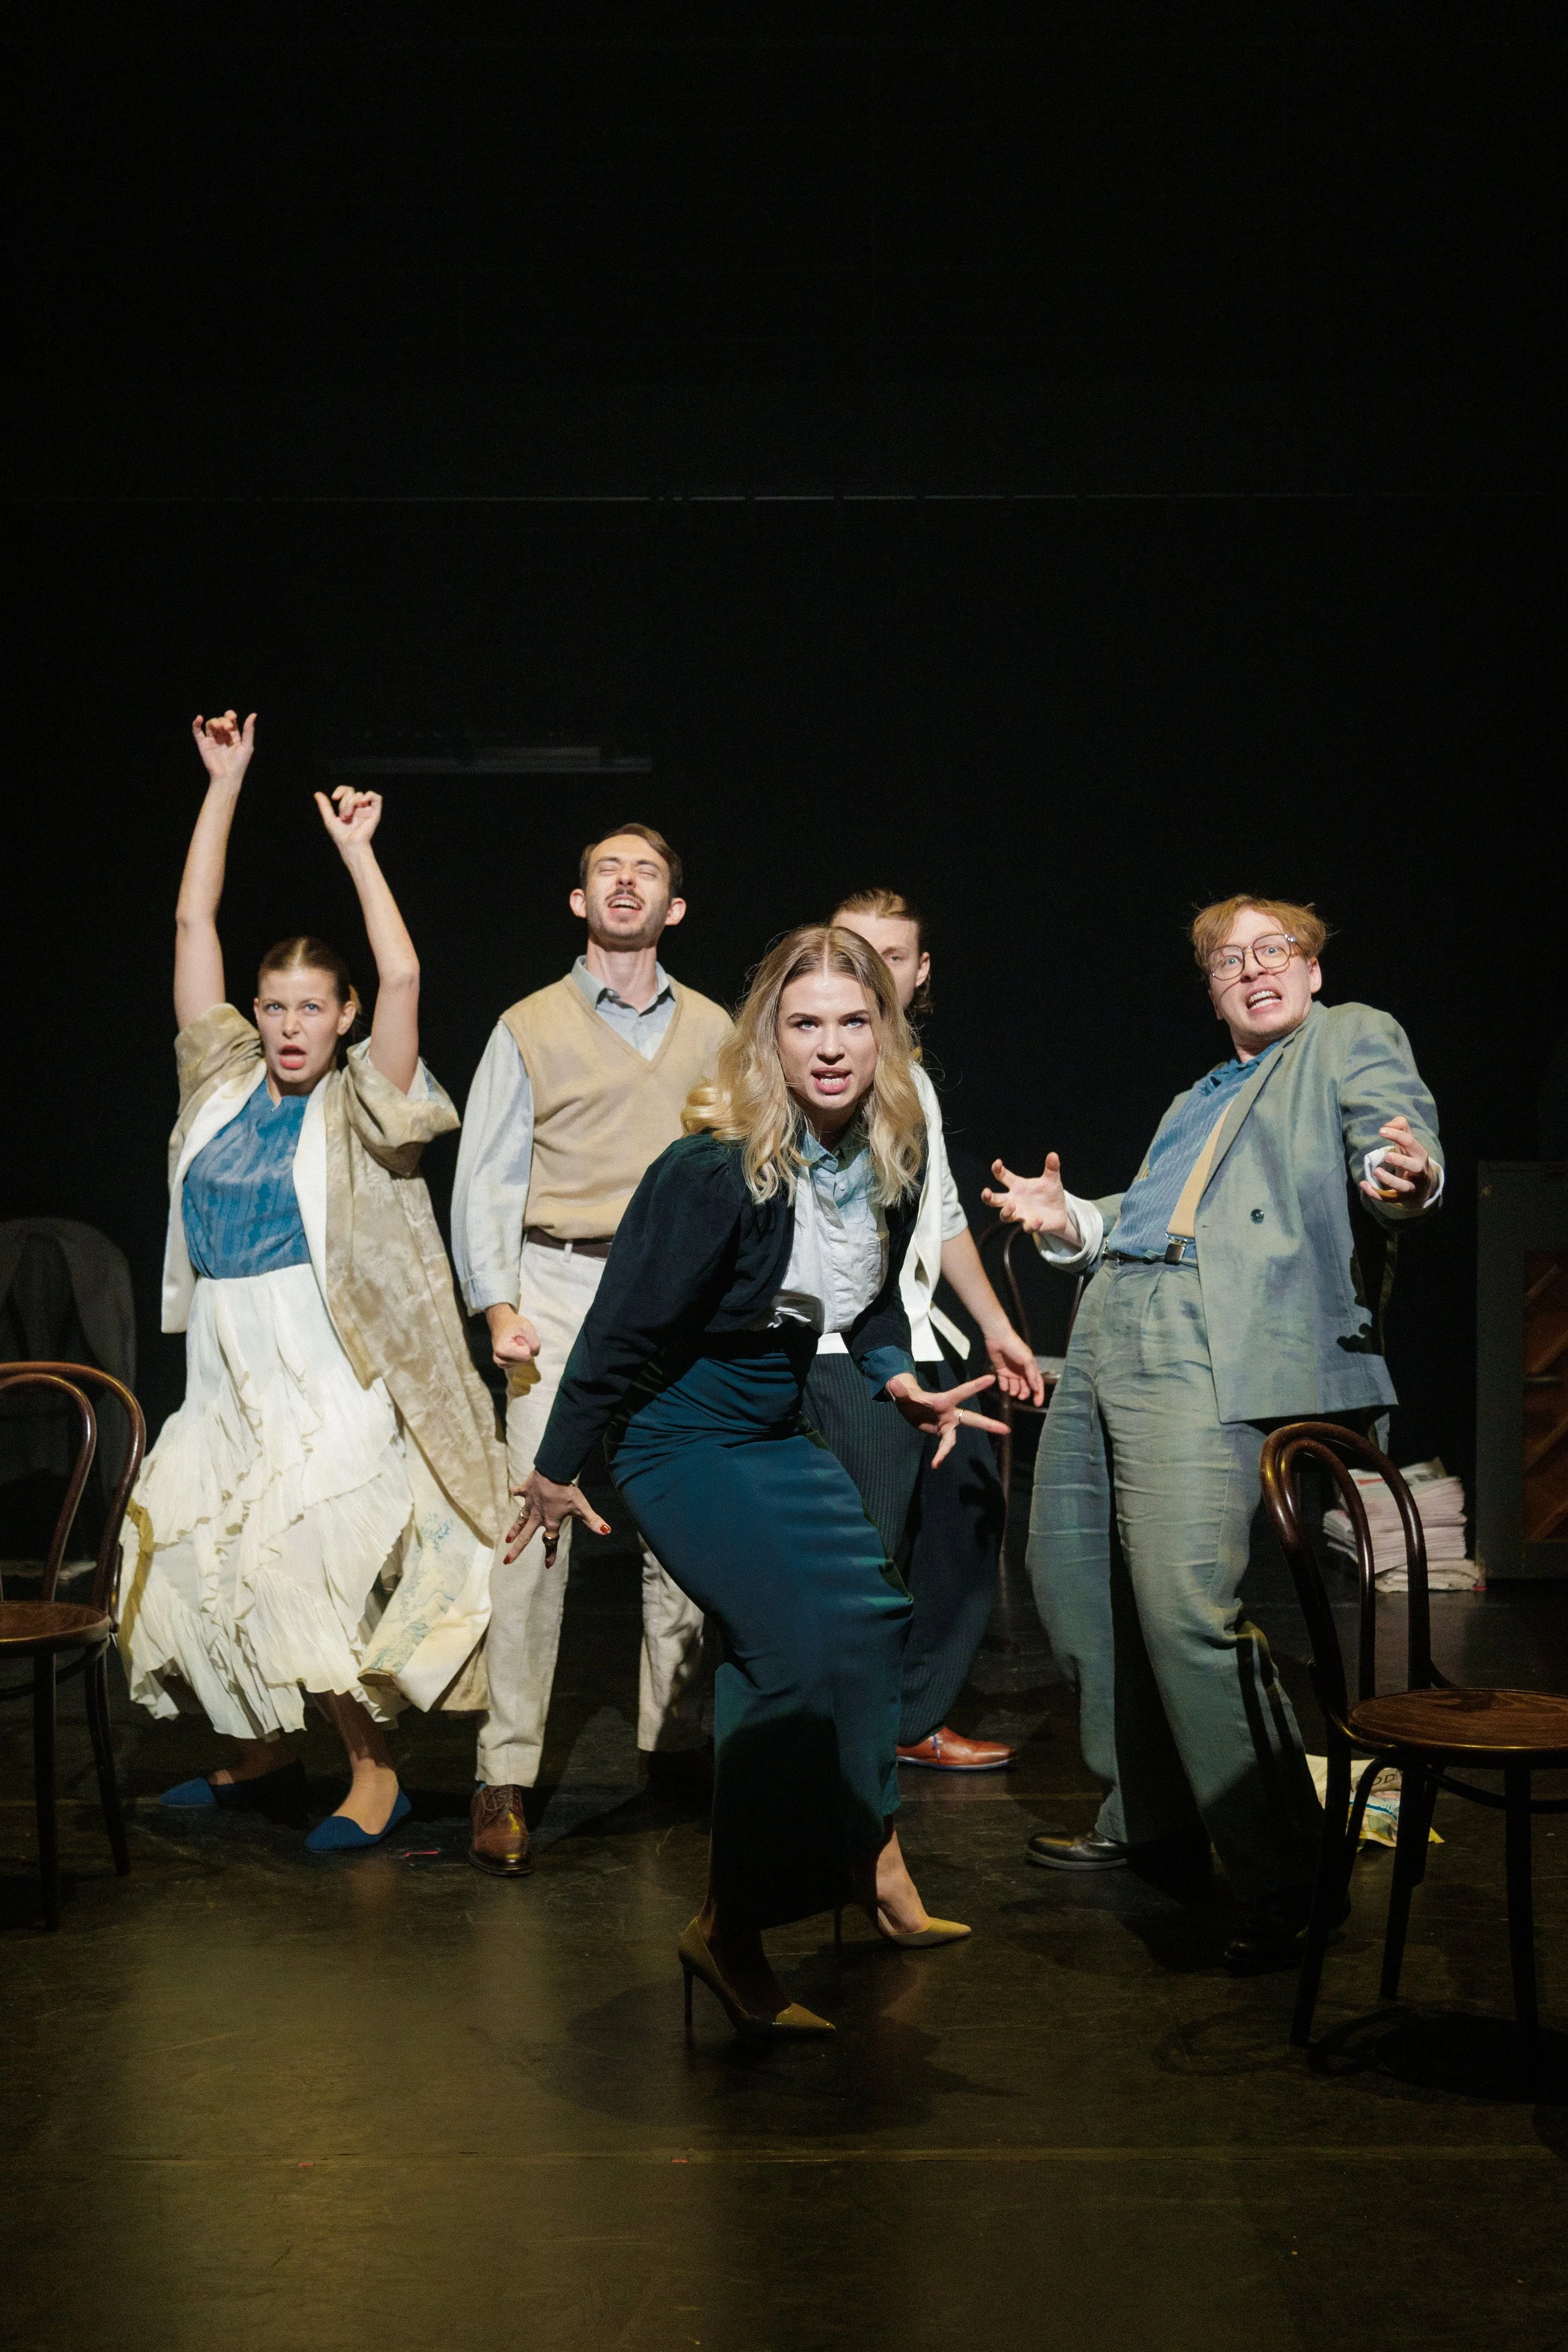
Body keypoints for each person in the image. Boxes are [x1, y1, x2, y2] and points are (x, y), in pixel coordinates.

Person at [506, 925, 1009, 2036]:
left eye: (852, 1021)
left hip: (773, 1424)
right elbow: (616, 1333)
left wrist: (895, 1379)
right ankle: (731, 1929)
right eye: (804, 1024)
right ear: (767, 1042)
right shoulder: (712, 1169)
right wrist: (552, 1469)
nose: (830, 1047)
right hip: (680, 1438)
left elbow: (869, 1298)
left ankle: (874, 1853)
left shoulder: (891, 1151)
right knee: (787, 1649)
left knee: (870, 1616)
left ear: (886, 1031)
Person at [984, 896, 1444, 1971]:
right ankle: (1150, 1812)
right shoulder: (1200, 1092)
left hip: (1214, 1332)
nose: (1253, 970)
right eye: (1228, 960)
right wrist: (1075, 1221)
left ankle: (1292, 1867)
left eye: (1273, 950)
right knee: (1076, 1577)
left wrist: (1403, 1178)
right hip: (1111, 1318)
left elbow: (1395, 1145)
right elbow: (1161, 1211)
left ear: (1314, 968)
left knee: (1187, 1604)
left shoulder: (1350, 1036)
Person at [121, 711, 508, 1851]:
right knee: (193, 1558)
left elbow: (404, 968)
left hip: (323, 1368)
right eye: (274, 1004)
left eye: (312, 1008)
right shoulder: (220, 1087)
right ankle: (259, 1752)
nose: (291, 1024)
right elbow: (193, 916)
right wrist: (225, 784)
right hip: (229, 1366)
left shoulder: (360, 1105)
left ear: (341, 1022)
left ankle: (373, 1772)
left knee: (301, 1566)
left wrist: (356, 851)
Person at [451, 825, 732, 1877]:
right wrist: (496, 1307)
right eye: (606, 870)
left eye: (647, 870)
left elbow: (742, 1165)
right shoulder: (528, 1024)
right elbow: (485, 1174)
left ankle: (676, 1743)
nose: (625, 883)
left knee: (682, 1522)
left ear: (676, 905)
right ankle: (504, 1770)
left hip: (675, 1292)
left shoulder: (714, 1027)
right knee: (538, 1523)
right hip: (560, 1283)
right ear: (579, 901)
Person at [807, 889, 1048, 1771]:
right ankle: (845, 1738)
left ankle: (912, 1714)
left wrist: (992, 1325)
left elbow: (940, 1212)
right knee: (864, 1547)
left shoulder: (912, 1076)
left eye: (895, 955)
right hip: (838, 1344)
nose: (876, 969)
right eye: (856, 950)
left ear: (920, 970)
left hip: (912, 1325)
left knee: (969, 1499)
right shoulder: (823, 1067)